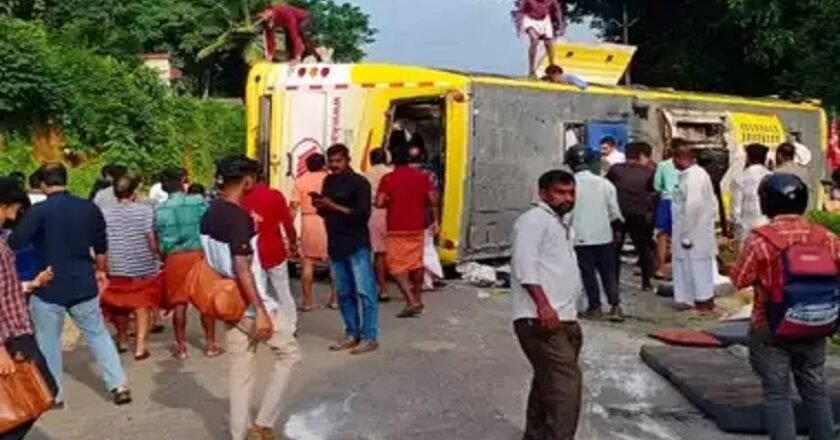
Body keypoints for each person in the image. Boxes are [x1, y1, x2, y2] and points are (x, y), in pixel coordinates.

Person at [9, 163, 131, 406]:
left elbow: (15, 242)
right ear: (66, 179)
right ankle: (118, 385)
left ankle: (55, 395)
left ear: (43, 184)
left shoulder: (39, 212)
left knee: (48, 341)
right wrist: (101, 271)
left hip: (48, 283)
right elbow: (101, 244)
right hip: (83, 280)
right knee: (97, 334)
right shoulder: (88, 208)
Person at [730, 173, 838, 440]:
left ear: (767, 203)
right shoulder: (826, 237)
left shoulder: (760, 240)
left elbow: (740, 279)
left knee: (777, 393)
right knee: (815, 387)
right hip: (815, 323)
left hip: (770, 326)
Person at [201, 156, 299, 440]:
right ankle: (263, 424)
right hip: (247, 301)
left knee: (240, 369)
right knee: (290, 354)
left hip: (226, 299)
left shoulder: (210, 212)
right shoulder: (238, 216)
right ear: (246, 181)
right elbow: (243, 268)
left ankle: (239, 434)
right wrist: (261, 309)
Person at [511, 169, 582, 440]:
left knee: (547, 383)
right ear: (543, 194)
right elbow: (524, 267)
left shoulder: (560, 223)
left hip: (563, 315)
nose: (567, 198)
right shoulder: (533, 221)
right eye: (560, 192)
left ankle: (536, 435)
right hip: (540, 317)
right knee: (565, 388)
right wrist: (543, 305)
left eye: (571, 192)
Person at [0, 177, 58, 440]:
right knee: (36, 392)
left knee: (34, 393)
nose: (15, 215)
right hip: (10, 336)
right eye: (14, 209)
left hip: (16, 329)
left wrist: (31, 284)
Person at [315, 144, 379, 354]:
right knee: (343, 293)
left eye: (338, 161)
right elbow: (325, 212)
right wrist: (321, 206)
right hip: (335, 243)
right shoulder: (328, 181)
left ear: (347, 160)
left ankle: (369, 336)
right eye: (331, 161)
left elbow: (361, 215)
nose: (334, 165)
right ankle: (352, 333)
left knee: (365, 292)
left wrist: (332, 206)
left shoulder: (359, 183)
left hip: (356, 243)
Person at [155, 168, 219, 359]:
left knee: (179, 304)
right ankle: (210, 344)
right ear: (183, 182)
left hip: (174, 258)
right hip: (197, 254)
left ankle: (181, 347)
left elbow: (160, 239)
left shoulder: (161, 209)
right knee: (205, 301)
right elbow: (211, 225)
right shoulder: (198, 202)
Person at [101, 175, 162, 361]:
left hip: (116, 265)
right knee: (140, 305)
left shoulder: (104, 213)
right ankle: (140, 347)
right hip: (142, 265)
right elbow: (150, 238)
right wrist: (157, 255)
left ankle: (122, 339)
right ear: (134, 192)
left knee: (119, 305)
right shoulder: (145, 211)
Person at [377, 145, 438, 318]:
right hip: (417, 226)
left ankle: (410, 300)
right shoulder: (423, 177)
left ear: (393, 161)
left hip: (396, 227)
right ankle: (418, 298)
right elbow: (432, 200)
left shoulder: (388, 179)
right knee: (416, 263)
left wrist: (391, 201)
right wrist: (435, 220)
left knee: (395, 267)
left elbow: (380, 202)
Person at [564, 146, 623, 321]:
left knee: (587, 273)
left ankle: (595, 307)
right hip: (603, 236)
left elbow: (567, 214)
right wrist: (617, 232)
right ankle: (615, 306)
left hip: (580, 237)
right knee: (608, 272)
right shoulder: (605, 184)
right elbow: (615, 213)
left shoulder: (570, 185)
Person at [242, 168, 299, 338]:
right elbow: (287, 223)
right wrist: (293, 241)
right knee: (283, 290)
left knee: (259, 290)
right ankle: (290, 325)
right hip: (275, 249)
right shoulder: (276, 196)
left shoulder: (242, 199)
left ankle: (263, 325)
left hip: (252, 252)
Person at [670, 145, 718, 312]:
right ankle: (695, 300)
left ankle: (702, 303)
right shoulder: (690, 175)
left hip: (693, 234)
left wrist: (687, 234)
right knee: (691, 268)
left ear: (678, 158)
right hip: (691, 231)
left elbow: (693, 207)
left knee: (697, 269)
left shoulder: (694, 177)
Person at [607, 141, 657, 291]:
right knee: (643, 249)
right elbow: (653, 191)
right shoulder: (648, 172)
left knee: (615, 249)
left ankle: (613, 282)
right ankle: (646, 282)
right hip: (640, 214)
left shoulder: (615, 169)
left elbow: (608, 186)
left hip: (618, 214)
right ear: (641, 156)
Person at [290, 153, 335, 311]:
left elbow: (293, 207)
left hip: (309, 221)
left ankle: (307, 301)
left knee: (308, 262)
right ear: (324, 164)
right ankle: (335, 300)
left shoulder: (301, 182)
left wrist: (290, 229)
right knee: (334, 262)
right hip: (330, 220)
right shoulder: (331, 179)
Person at [407, 139, 445, 292]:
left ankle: (425, 281)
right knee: (427, 248)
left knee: (414, 251)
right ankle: (429, 279)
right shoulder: (430, 174)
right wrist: (436, 220)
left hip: (408, 218)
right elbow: (433, 200)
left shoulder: (401, 172)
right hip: (425, 217)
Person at [364, 148, 393, 302]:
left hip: (373, 215)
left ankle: (382, 289)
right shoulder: (390, 173)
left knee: (378, 254)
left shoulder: (365, 175)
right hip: (391, 214)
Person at [730, 144, 771, 247]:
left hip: (747, 226)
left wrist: (736, 228)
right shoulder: (772, 177)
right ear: (765, 158)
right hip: (768, 225)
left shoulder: (740, 177)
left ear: (748, 158)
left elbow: (736, 209)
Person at [514, 0, 563, 78]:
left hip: (544, 20)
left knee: (548, 43)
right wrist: (519, 26)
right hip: (530, 19)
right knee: (534, 40)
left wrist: (560, 25)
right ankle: (531, 70)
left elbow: (557, 11)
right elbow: (520, 12)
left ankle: (552, 67)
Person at [653, 149, 679, 279]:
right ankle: (678, 268)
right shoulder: (691, 166)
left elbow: (657, 186)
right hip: (681, 201)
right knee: (679, 235)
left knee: (662, 236)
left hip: (666, 201)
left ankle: (661, 268)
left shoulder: (662, 165)